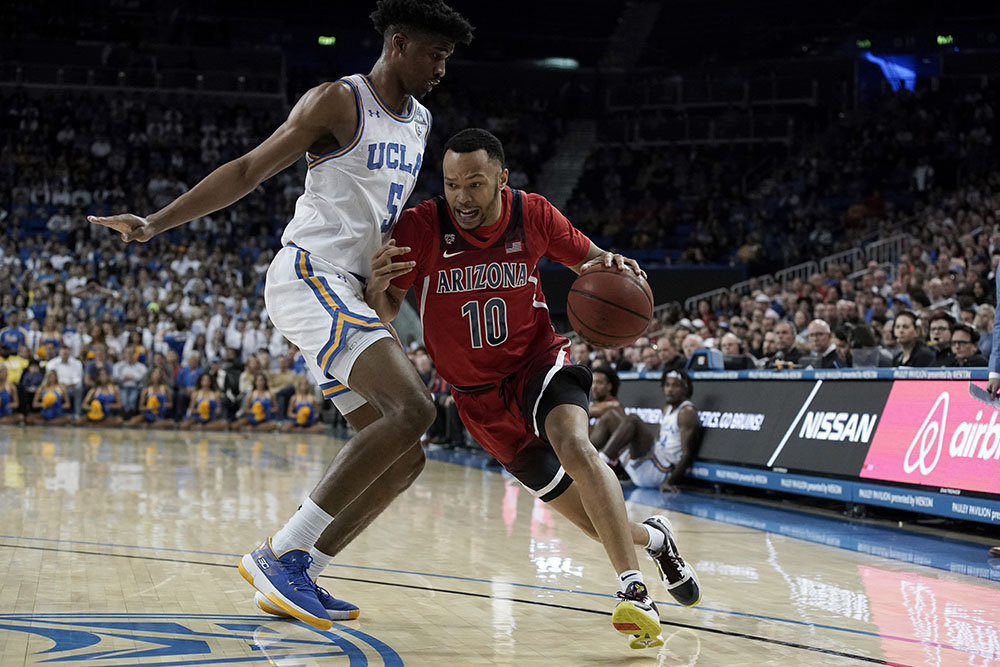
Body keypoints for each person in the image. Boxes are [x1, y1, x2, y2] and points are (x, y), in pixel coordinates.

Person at [89, 0, 474, 629]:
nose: (440, 68)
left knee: (406, 454)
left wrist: (380, 288)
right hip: (308, 275)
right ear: (398, 43)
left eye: (447, 58)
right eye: (434, 53)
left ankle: (300, 572)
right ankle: (281, 553)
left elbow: (378, 224)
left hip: (349, 288)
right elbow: (247, 169)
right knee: (416, 409)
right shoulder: (336, 101)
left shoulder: (423, 121)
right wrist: (155, 223)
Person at [368, 128, 700, 650]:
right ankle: (656, 539)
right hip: (477, 400)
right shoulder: (423, 225)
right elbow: (387, 310)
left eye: (474, 184)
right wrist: (375, 286)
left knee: (575, 444)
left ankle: (634, 592)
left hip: (537, 361)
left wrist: (614, 265)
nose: (461, 197)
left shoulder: (533, 214)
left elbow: (590, 260)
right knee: (594, 522)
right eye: (452, 184)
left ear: (502, 179)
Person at [599, 370, 700, 494]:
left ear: (685, 388)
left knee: (633, 419)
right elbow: (658, 440)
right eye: (667, 385)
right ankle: (580, 461)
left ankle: (597, 465)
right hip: (647, 464)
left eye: (675, 385)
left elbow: (687, 454)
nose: (670, 389)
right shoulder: (667, 409)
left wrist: (670, 482)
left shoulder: (687, 412)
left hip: (659, 471)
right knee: (610, 416)